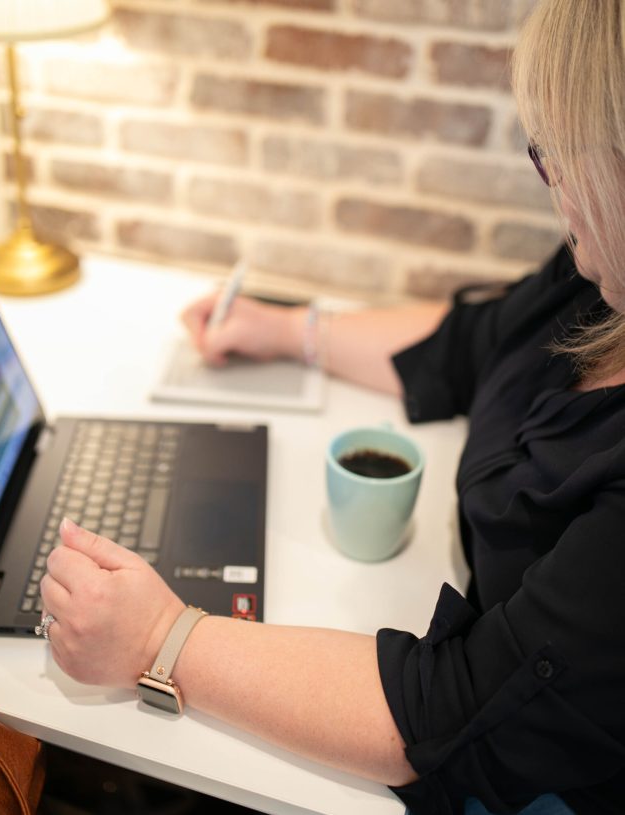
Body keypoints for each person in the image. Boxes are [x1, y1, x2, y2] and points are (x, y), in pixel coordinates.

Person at [39, 1, 625, 813]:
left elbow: (457, 710)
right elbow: (475, 340)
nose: (551, 180)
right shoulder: (597, 276)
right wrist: (286, 329)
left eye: (562, 153)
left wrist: (160, 639)